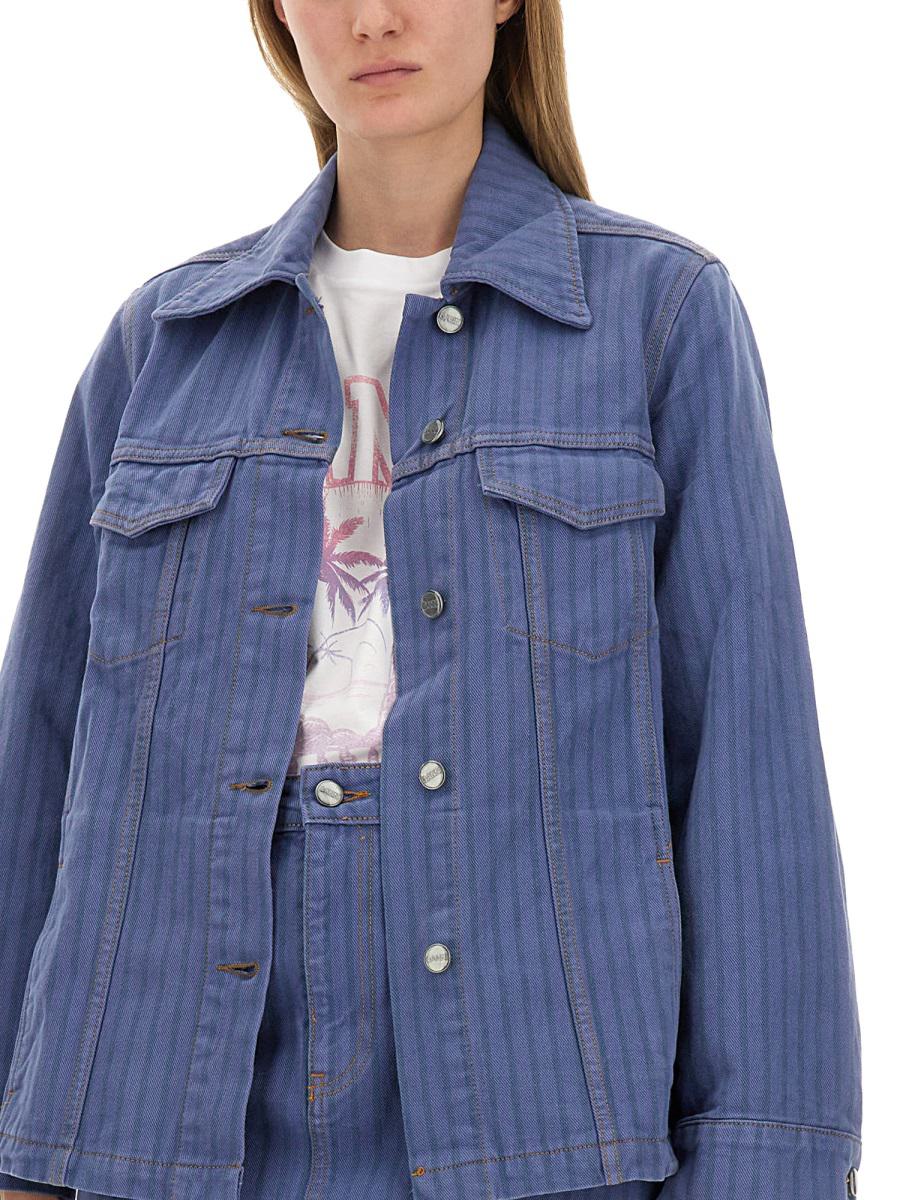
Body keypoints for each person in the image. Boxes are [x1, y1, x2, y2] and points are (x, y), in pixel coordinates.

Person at [0, 2, 862, 1199]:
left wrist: (768, 1163)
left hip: (535, 1120)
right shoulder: (164, 342)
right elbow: (45, 767)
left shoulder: (657, 316)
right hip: (158, 1123)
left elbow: (749, 772)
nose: (375, 18)